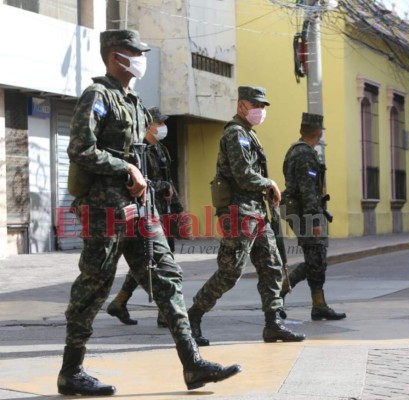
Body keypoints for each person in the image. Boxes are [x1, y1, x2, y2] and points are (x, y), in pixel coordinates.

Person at [57, 29, 240, 396]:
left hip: (141, 212)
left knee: (168, 279)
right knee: (94, 287)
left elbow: (143, 155)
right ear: (114, 55)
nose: (140, 58)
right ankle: (71, 371)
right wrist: (125, 169)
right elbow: (79, 148)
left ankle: (192, 365)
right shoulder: (99, 96)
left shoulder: (135, 101)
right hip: (104, 211)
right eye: (133, 52)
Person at [187, 86, 306, 346]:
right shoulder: (235, 134)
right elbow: (243, 175)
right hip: (239, 213)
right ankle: (192, 317)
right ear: (242, 106)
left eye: (263, 106)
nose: (261, 111)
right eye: (256, 105)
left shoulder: (249, 134)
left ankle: (273, 324)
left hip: (256, 213)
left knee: (272, 266)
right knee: (230, 272)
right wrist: (270, 183)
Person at [106, 107, 184, 328]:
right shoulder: (137, 151)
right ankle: (164, 311)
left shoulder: (160, 150)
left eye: (162, 123)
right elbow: (139, 182)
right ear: (148, 126)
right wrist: (163, 186)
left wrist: (178, 209)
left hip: (162, 211)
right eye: (158, 123)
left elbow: (169, 180)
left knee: (151, 260)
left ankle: (120, 302)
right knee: (157, 261)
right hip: (144, 211)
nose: (162, 127)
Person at [280, 112, 346, 321]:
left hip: (300, 211)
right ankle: (278, 293)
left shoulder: (297, 151)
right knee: (315, 259)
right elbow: (307, 189)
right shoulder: (305, 154)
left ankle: (318, 304)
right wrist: (314, 220)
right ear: (319, 133)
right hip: (305, 213)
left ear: (302, 131)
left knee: (316, 259)